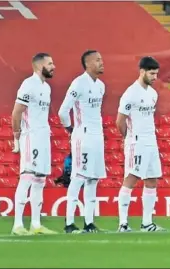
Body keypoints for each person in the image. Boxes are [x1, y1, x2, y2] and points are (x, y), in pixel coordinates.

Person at [58, 50, 106, 233]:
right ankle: (69, 223)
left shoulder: (101, 85)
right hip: (83, 135)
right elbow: (63, 111)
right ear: (88, 64)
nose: (102, 63)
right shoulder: (78, 83)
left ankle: (89, 222)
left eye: (101, 59)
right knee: (78, 177)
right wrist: (70, 128)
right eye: (98, 60)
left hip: (97, 135)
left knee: (93, 178)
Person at [115, 56, 165, 232]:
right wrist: (128, 139)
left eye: (156, 74)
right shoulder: (130, 93)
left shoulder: (153, 94)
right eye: (151, 73)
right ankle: (123, 224)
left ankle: (147, 223)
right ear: (142, 72)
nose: (154, 77)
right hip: (136, 142)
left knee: (151, 180)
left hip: (151, 141)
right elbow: (120, 121)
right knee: (131, 178)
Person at [10, 53, 57, 235]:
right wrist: (17, 135)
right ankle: (17, 225)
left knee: (40, 180)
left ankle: (36, 224)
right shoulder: (28, 85)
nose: (54, 66)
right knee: (27, 177)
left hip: (43, 136)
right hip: (31, 136)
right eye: (50, 63)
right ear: (39, 66)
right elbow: (16, 112)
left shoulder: (46, 87)